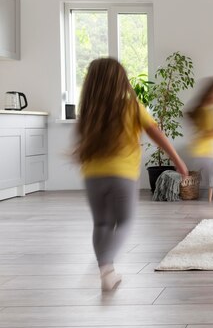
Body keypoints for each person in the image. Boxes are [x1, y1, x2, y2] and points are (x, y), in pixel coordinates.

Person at [74, 58, 189, 291]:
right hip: (122, 175)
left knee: (102, 223)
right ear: (121, 81)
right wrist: (177, 160)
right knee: (124, 222)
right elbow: (155, 133)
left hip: (92, 175)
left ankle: (105, 269)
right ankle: (106, 268)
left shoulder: (88, 110)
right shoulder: (132, 106)